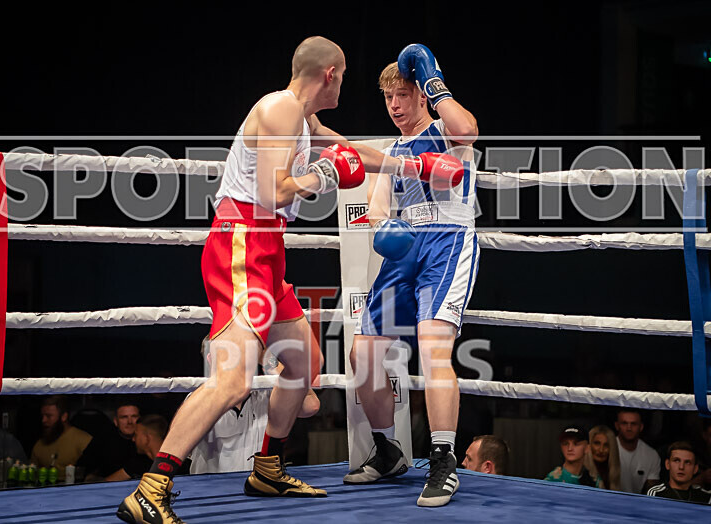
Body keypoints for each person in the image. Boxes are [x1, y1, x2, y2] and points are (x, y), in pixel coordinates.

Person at [117, 36, 446, 524]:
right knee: (232, 382)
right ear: (330, 74)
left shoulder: (303, 118)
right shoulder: (278, 110)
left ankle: (267, 466)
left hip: (265, 249)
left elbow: (345, 149)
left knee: (303, 361)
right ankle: (152, 485)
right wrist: (325, 173)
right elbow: (275, 192)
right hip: (242, 243)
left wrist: (415, 165)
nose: (345, 85)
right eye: (346, 76)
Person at [343, 43, 477, 509]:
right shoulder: (394, 150)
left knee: (432, 345)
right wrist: (385, 229)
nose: (395, 105)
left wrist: (433, 78)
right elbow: (378, 208)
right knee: (364, 353)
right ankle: (387, 451)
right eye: (388, 98)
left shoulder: (446, 129)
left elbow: (469, 128)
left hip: (448, 240)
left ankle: (443, 459)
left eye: (403, 94)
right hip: (407, 247)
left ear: (422, 93)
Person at [190, 336, 321, 473]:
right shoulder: (198, 400)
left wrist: (267, 359)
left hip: (258, 490)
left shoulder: (266, 394)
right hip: (214, 491)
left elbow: (310, 405)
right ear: (211, 359)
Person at [77, 401, 145, 481]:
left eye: (134, 416)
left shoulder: (147, 441)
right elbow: (83, 468)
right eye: (124, 417)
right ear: (116, 421)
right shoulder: (103, 440)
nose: (129, 422)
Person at [107, 415, 187, 481]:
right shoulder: (137, 465)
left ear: (146, 438)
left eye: (136, 435)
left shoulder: (183, 465)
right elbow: (105, 484)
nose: (133, 439)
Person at [30, 395, 92, 469]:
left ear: (64, 417)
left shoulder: (84, 441)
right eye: (42, 416)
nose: (43, 420)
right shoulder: (39, 445)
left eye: (48, 416)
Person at [647, 441, 711, 504]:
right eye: (676, 460)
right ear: (667, 464)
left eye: (687, 462)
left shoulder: (707, 499)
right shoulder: (656, 494)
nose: (681, 467)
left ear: (695, 468)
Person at [614, 408, 661, 493]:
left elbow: (652, 491)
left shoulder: (651, 455)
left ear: (641, 427)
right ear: (617, 426)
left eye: (633, 424)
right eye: (624, 423)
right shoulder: (606, 448)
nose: (629, 428)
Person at [582, 425, 621, 490]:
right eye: (597, 443)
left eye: (606, 445)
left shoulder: (612, 473)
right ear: (589, 445)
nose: (601, 450)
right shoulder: (581, 474)